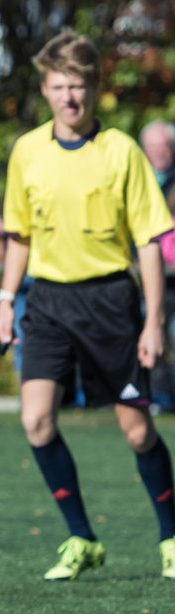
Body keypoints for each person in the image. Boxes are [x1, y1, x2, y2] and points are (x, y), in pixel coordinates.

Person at [0, 31, 175, 581]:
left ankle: (170, 537)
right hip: (47, 301)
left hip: (110, 302)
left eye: (78, 86)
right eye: (58, 87)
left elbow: (148, 241)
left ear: (94, 88)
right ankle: (81, 538)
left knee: (138, 431)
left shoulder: (121, 150)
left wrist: (153, 319)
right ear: (45, 90)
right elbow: (19, 236)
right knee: (36, 419)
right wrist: (6, 299)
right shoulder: (27, 151)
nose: (69, 97)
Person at [138, 120, 175, 412]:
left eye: (163, 146)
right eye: (152, 147)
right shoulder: (138, 179)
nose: (158, 152)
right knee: (149, 332)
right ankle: (159, 395)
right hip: (146, 276)